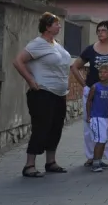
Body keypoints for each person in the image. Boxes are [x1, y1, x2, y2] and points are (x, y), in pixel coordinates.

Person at [12, 12, 72, 178]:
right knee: (41, 128)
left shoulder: (56, 44)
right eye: (56, 24)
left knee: (55, 128)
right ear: (47, 27)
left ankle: (51, 162)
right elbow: (18, 61)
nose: (59, 26)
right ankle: (29, 165)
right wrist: (31, 80)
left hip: (59, 93)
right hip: (43, 93)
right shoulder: (37, 44)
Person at [70, 20, 108, 168]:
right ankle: (91, 156)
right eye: (99, 30)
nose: (100, 33)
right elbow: (74, 66)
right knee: (90, 124)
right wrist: (84, 85)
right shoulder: (90, 50)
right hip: (94, 92)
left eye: (104, 30)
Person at [86, 64, 108, 172]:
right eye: (100, 72)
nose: (102, 74)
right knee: (100, 140)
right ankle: (95, 163)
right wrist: (89, 115)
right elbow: (89, 101)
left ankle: (99, 160)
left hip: (105, 117)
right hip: (97, 117)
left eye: (105, 72)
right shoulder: (95, 87)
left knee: (104, 140)